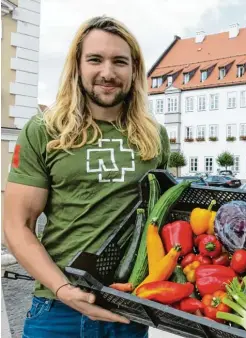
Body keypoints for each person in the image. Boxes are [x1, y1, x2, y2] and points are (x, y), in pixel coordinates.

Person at [3, 16, 170, 338]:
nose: (107, 73)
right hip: (57, 310)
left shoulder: (154, 135)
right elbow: (17, 225)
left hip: (129, 308)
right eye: (95, 59)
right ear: (77, 65)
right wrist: (64, 288)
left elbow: (160, 221)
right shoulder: (45, 131)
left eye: (119, 61)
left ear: (134, 69)